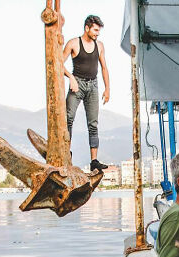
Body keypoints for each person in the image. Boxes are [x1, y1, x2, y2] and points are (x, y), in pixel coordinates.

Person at [63, 15, 110, 171]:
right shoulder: (73, 43)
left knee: (93, 124)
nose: (97, 34)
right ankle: (65, 154)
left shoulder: (100, 45)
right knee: (68, 119)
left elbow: (104, 67)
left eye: (99, 31)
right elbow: (57, 63)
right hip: (77, 84)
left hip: (93, 85)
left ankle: (94, 161)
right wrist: (71, 78)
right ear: (87, 28)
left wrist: (107, 88)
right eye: (95, 30)